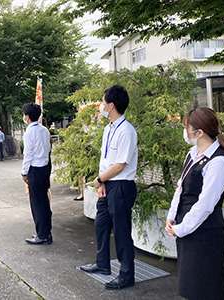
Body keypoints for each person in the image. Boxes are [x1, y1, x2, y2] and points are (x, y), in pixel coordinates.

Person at [165, 107, 224, 300]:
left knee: (209, 286)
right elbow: (181, 188)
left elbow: (205, 204)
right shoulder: (193, 153)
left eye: (187, 127)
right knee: (192, 286)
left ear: (200, 132)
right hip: (187, 228)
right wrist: (172, 216)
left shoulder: (219, 162)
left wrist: (182, 228)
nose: (185, 132)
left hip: (205, 232)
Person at [79, 85, 138, 291]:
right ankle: (102, 264)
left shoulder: (126, 131)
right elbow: (105, 159)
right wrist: (102, 182)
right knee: (101, 224)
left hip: (121, 186)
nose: (101, 106)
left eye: (103, 102)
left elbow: (120, 165)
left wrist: (99, 179)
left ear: (112, 105)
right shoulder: (108, 128)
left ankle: (126, 275)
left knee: (122, 231)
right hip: (107, 184)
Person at [21, 103, 52, 245]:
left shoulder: (29, 132)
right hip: (45, 167)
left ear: (27, 117)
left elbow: (28, 154)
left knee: (37, 204)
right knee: (44, 201)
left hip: (35, 168)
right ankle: (47, 232)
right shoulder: (44, 130)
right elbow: (49, 148)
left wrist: (24, 172)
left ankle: (42, 235)